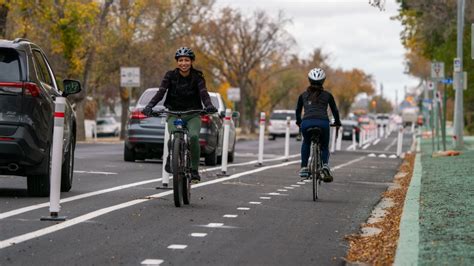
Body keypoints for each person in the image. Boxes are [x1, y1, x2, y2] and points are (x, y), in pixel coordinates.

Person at [143, 47, 217, 182]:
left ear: (192, 61)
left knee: (194, 137)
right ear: (177, 62)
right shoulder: (170, 76)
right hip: (173, 113)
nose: (184, 63)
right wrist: (149, 106)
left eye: (187, 60)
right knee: (174, 137)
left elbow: (203, 93)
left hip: (192, 114)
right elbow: (161, 92)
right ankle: (171, 157)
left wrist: (209, 106)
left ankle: (194, 170)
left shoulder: (198, 77)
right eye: (181, 60)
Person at [295, 67, 341, 182]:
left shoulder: (303, 95)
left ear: (309, 80)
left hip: (306, 122)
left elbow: (297, 110)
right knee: (324, 146)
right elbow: (335, 110)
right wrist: (337, 122)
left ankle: (304, 167)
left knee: (306, 142)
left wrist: (299, 122)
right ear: (323, 81)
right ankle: (325, 165)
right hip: (323, 123)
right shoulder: (328, 95)